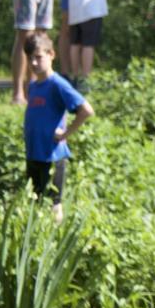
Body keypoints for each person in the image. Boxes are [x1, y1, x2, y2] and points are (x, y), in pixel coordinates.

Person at [22, 32, 93, 224]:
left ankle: (55, 236)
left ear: (51, 54)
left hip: (52, 155)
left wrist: (65, 133)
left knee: (54, 204)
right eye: (30, 58)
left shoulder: (57, 84)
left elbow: (86, 110)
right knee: (35, 202)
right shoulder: (33, 86)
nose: (34, 63)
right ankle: (36, 236)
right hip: (34, 153)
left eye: (38, 57)